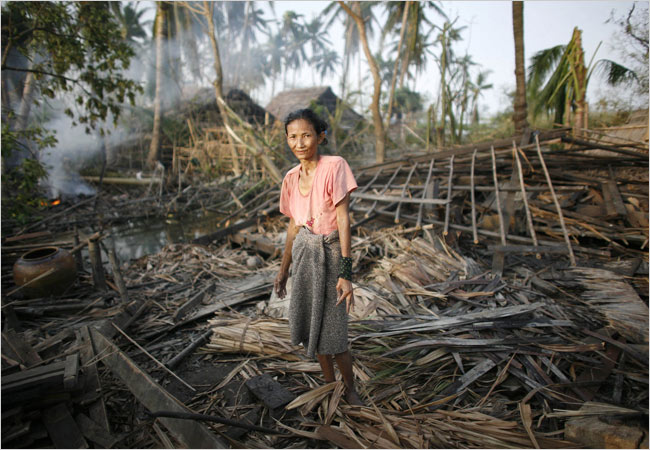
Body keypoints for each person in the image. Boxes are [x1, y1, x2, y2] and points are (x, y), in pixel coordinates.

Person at [274, 108, 363, 406]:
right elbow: (292, 226)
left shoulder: (335, 166)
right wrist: (283, 270)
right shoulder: (290, 178)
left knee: (335, 332)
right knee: (314, 328)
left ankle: (350, 389)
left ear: (320, 136)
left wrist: (346, 273)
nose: (299, 143)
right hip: (304, 253)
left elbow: (343, 220)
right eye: (293, 137)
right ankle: (329, 385)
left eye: (306, 135)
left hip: (331, 251)